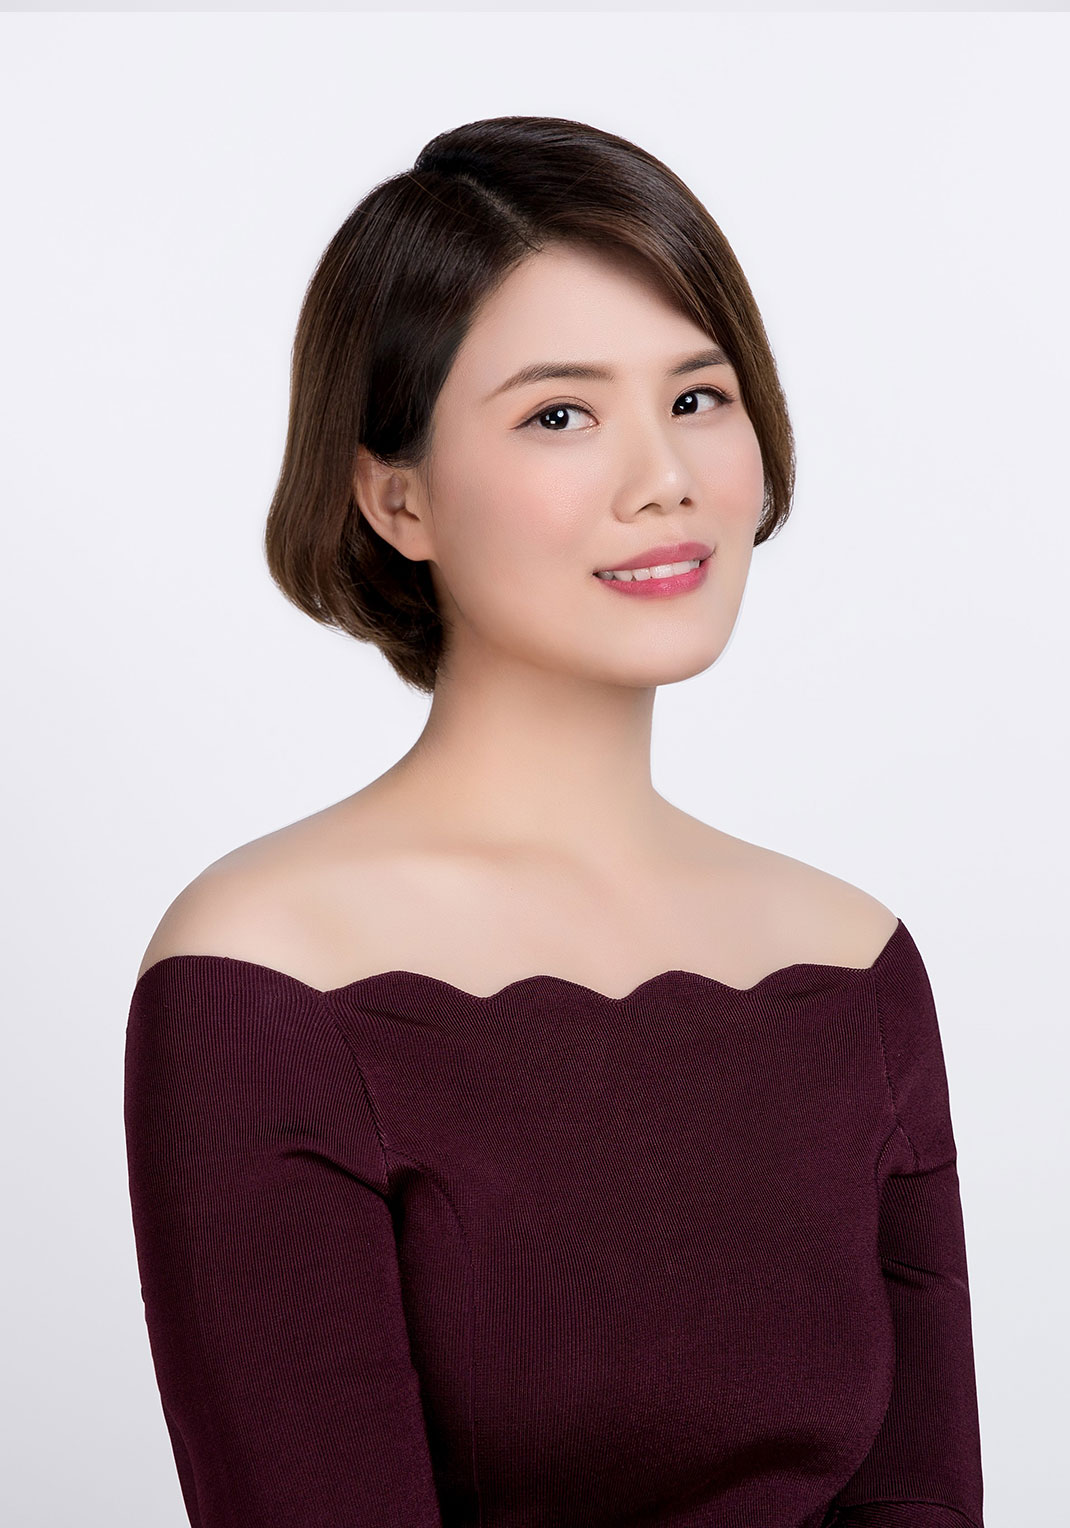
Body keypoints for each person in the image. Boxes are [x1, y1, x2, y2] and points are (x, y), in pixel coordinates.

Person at [124, 115, 984, 1527]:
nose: (665, 478)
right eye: (560, 416)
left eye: (699, 396)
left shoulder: (851, 960)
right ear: (395, 497)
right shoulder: (268, 974)